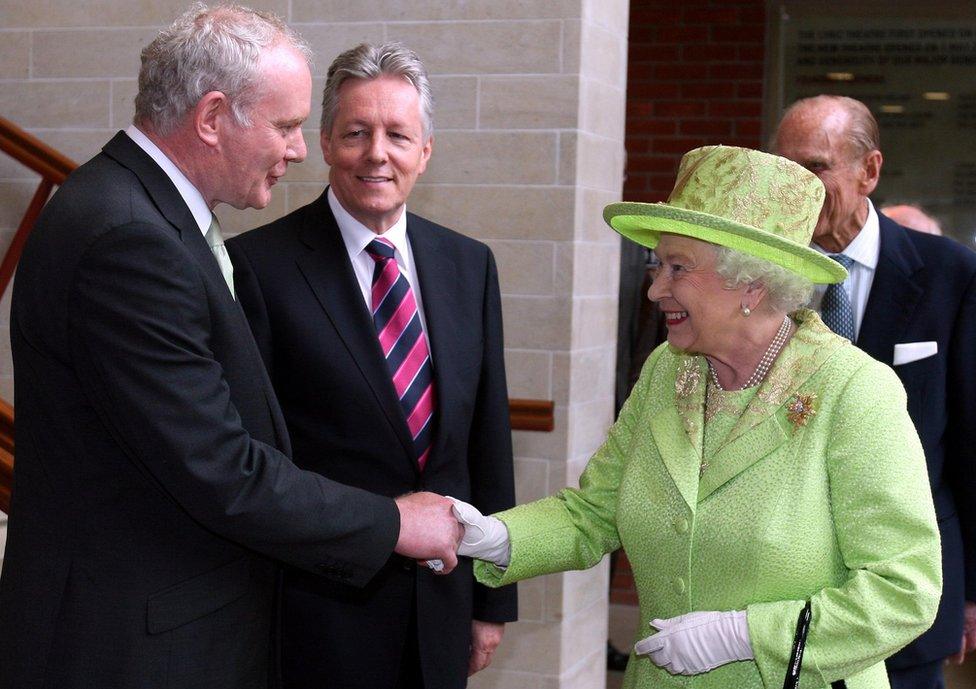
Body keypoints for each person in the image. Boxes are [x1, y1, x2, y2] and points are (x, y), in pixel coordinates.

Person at [0, 8, 461, 689]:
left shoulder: (148, 213)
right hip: (133, 646)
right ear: (213, 116)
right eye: (285, 125)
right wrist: (391, 520)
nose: (301, 149)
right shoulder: (128, 238)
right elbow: (222, 469)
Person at [449, 145, 942, 688]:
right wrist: (494, 536)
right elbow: (595, 511)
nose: (656, 287)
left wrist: (747, 636)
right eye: (657, 265)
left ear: (751, 284)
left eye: (677, 267)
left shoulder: (853, 391)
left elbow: (905, 587)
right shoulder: (668, 370)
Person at [226, 42, 517, 689]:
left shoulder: (470, 265)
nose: (377, 153)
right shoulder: (258, 267)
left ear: (426, 151)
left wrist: (492, 600)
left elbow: (486, 440)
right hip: (319, 612)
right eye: (357, 132)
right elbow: (255, 456)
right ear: (325, 141)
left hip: (442, 604)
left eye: (397, 134)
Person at [774, 95, 976, 689]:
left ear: (870, 170)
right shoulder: (752, 275)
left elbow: (970, 443)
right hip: (781, 589)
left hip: (907, 590)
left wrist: (972, 591)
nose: (796, 186)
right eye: (783, 166)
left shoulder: (951, 275)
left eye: (814, 167)